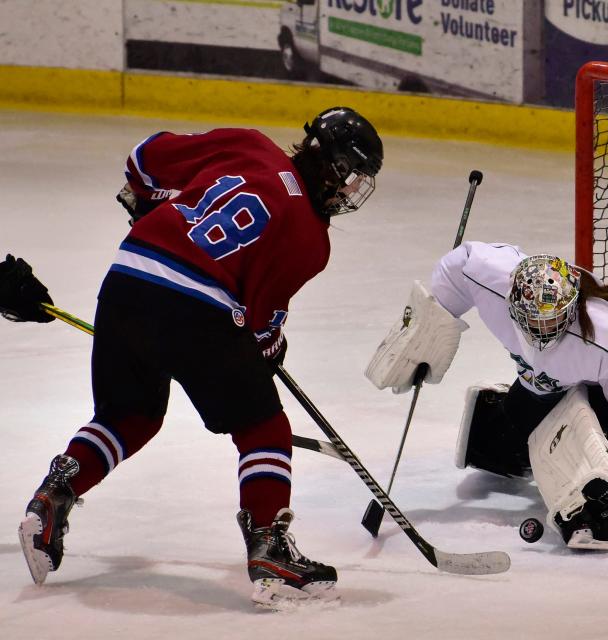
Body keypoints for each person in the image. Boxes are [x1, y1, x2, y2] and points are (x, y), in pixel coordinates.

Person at [0, 107, 383, 606]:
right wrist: (267, 351)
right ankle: (270, 548)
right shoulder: (312, 239)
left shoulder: (250, 142)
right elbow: (260, 324)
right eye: (348, 176)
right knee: (264, 428)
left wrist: (150, 205)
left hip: (127, 279)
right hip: (198, 307)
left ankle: (53, 497)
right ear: (327, 163)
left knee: (129, 414)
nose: (349, 190)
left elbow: (144, 161)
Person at [364, 241, 608, 551]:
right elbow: (456, 267)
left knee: (576, 426)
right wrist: (429, 330)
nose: (543, 328)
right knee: (505, 444)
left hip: (601, 397)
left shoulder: (601, 335)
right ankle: (492, 421)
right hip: (538, 383)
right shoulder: (491, 277)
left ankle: (598, 498)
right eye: (534, 318)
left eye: (553, 319)